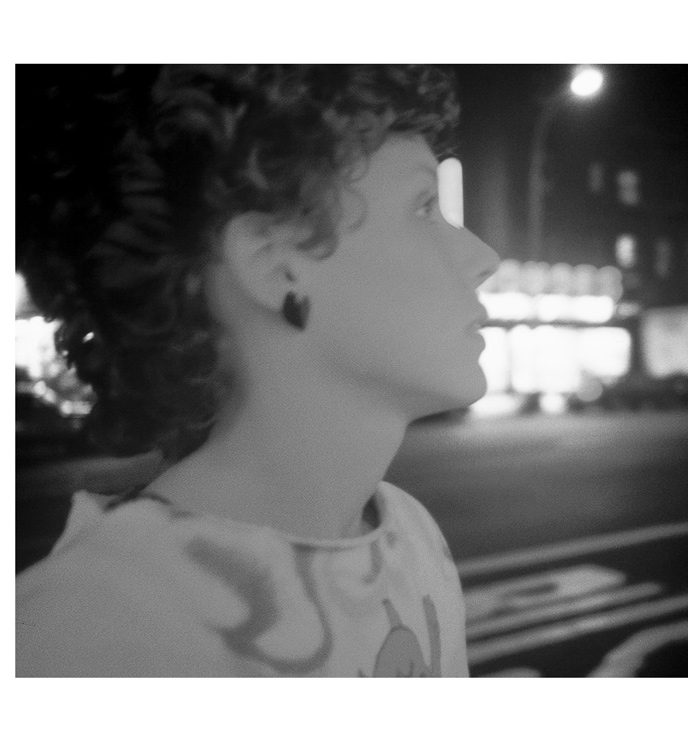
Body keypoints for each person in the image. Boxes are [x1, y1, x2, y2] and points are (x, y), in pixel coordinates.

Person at [16, 65, 499, 676]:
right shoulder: (89, 630)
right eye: (424, 206)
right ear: (274, 265)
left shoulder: (411, 539)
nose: (485, 257)